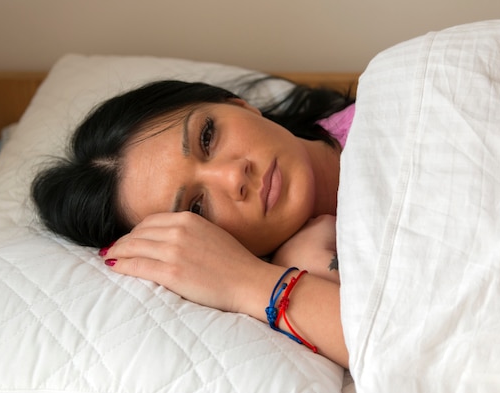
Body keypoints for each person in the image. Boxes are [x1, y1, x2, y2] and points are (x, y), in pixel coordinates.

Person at [31, 77, 355, 367]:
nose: (232, 177)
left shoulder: (392, 111)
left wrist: (255, 283)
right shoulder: (310, 264)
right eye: (197, 209)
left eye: (207, 136)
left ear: (238, 105)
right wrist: (269, 279)